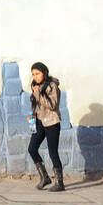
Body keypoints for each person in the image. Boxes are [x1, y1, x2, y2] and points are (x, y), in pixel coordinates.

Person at [28, 61, 64, 192]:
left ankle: (60, 183)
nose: (35, 77)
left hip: (52, 122)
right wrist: (32, 115)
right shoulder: (35, 86)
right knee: (32, 148)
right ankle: (45, 177)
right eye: (33, 74)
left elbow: (52, 105)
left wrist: (38, 94)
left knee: (52, 152)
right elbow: (36, 104)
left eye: (37, 73)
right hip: (39, 122)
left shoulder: (52, 86)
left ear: (44, 72)